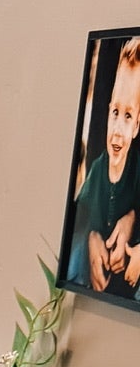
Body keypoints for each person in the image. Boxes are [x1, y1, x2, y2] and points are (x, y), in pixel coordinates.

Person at [66, 35, 140, 294]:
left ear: (137, 125)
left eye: (128, 116)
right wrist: (91, 237)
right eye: (115, 113)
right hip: (99, 277)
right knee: (74, 261)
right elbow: (81, 214)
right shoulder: (99, 167)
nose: (117, 129)